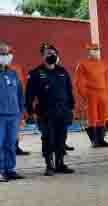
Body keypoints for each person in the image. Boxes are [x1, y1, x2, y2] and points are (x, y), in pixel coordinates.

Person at [26, 43, 75, 176]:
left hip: (62, 111)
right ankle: (49, 165)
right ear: (42, 56)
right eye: (48, 54)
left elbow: (69, 91)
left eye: (54, 53)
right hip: (45, 112)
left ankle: (60, 164)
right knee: (48, 139)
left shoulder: (62, 71)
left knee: (61, 138)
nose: (52, 56)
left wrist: (71, 108)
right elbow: (29, 95)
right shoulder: (35, 73)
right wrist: (30, 112)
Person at [74, 42, 108, 148]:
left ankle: (101, 139)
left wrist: (107, 93)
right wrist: (85, 95)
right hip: (91, 93)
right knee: (93, 117)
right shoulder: (82, 64)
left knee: (102, 116)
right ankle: (94, 140)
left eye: (98, 50)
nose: (97, 52)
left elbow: (106, 80)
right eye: (94, 50)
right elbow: (79, 82)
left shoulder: (104, 63)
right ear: (89, 51)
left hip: (102, 93)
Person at [0, 41, 25, 181]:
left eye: (8, 53)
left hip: (13, 115)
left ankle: (9, 169)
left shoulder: (13, 73)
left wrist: (21, 113)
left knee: (10, 143)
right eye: (3, 53)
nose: (6, 55)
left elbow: (20, 93)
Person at [6, 46, 29, 156]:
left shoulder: (16, 68)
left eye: (9, 53)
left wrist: (23, 103)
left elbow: (22, 84)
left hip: (15, 103)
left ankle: (15, 147)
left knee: (16, 127)